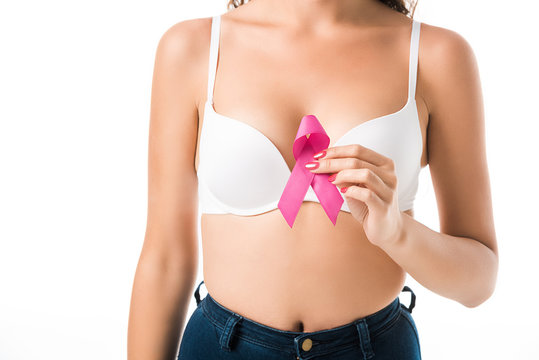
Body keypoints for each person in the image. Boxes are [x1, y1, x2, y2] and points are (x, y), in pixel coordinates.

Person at [128, 0, 499, 359]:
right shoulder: (193, 48)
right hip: (221, 349)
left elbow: (478, 281)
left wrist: (399, 234)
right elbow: (165, 260)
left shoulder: (437, 55)